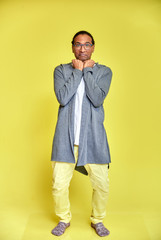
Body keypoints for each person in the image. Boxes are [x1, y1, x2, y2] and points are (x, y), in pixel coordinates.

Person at [51, 30, 112, 237]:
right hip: (65, 139)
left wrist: (86, 71)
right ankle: (63, 218)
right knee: (58, 185)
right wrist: (77, 72)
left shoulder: (104, 72)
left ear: (93, 47)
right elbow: (63, 97)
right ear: (72, 47)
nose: (82, 49)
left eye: (87, 45)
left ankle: (98, 219)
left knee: (102, 184)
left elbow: (96, 99)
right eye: (78, 44)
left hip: (93, 138)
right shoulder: (61, 70)